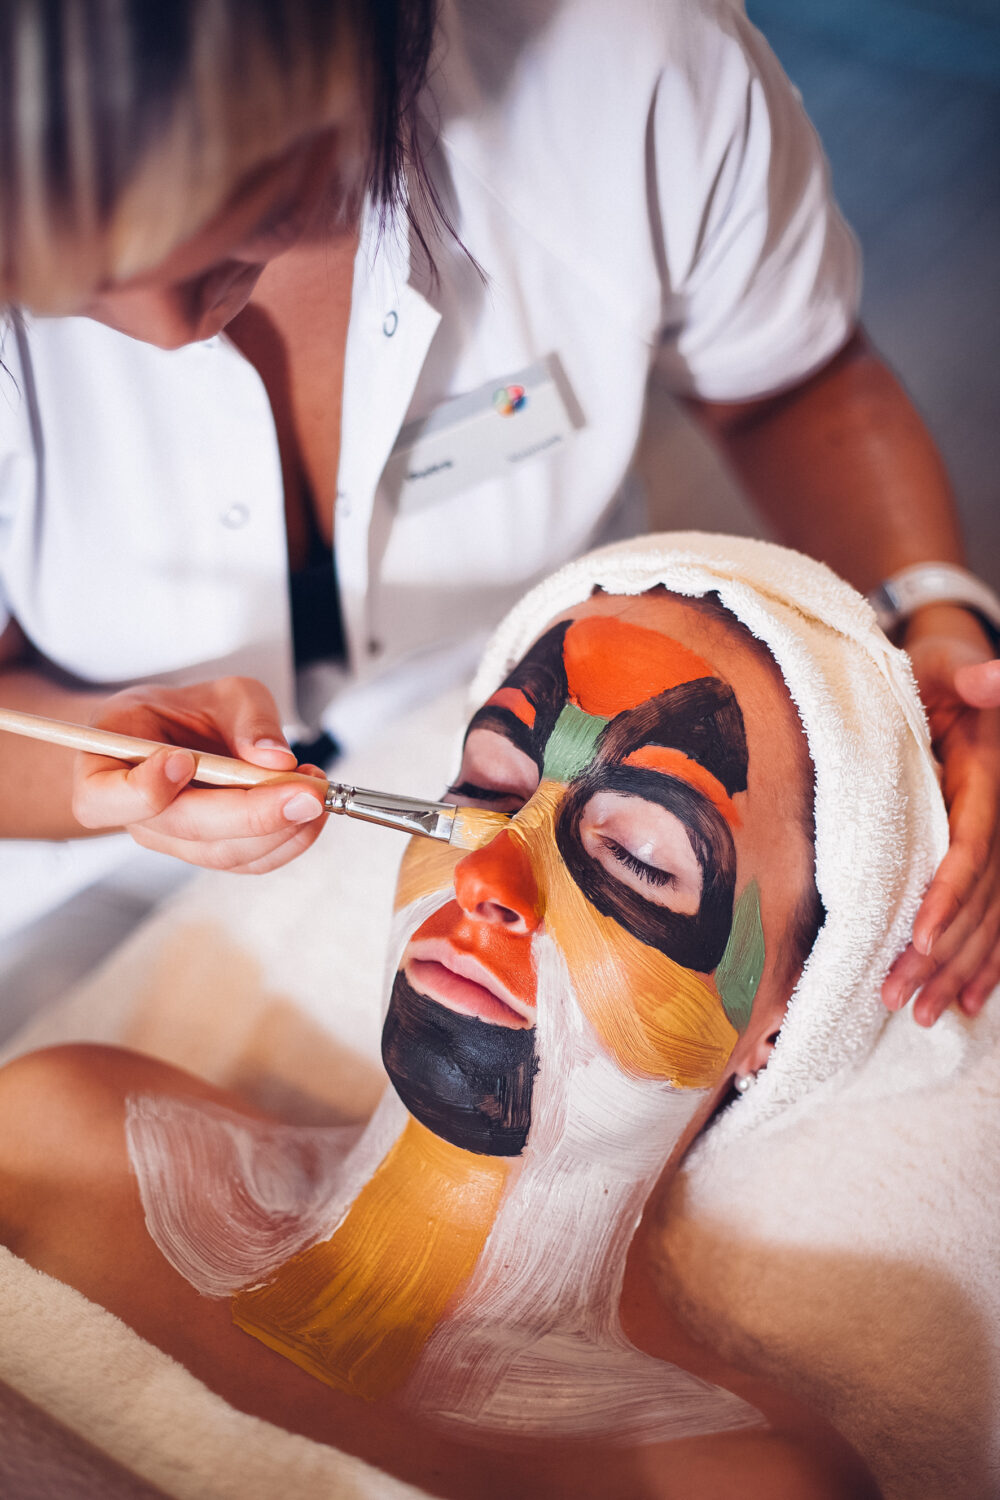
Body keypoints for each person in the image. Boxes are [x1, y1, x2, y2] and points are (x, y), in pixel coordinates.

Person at [0, 0, 996, 1028]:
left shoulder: (632, 70)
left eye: (243, 225)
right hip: (61, 897)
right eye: (64, 283)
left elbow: (791, 383)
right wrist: (86, 765)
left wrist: (933, 622)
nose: (161, 329)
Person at [0, 544, 893, 1498]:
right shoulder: (58, 1132)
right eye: (489, 786)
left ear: (787, 1018)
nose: (486, 876)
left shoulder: (737, 1482)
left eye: (638, 855)